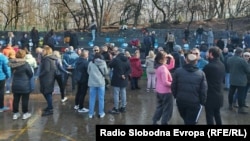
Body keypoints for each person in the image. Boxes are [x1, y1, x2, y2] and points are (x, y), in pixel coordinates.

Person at [171, 53, 207, 125]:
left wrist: (176, 96)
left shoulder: (178, 71)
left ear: (186, 61)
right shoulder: (201, 73)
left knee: (186, 119)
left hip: (181, 100)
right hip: (194, 102)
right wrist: (202, 101)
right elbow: (203, 90)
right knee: (191, 121)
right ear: (196, 62)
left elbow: (173, 86)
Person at [203, 47, 225, 125]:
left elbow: (203, 79)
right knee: (217, 114)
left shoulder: (209, 66)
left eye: (207, 52)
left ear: (211, 54)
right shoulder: (221, 64)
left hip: (210, 95)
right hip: (219, 94)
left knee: (209, 117)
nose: (206, 54)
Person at [9, 49, 33, 120]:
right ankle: (25, 113)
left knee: (16, 99)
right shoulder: (25, 64)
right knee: (25, 99)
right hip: (24, 84)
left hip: (15, 84)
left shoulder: (12, 64)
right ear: (24, 56)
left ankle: (15, 113)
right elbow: (30, 74)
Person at [152, 52, 174, 125]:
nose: (167, 59)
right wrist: (174, 84)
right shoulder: (163, 68)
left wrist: (172, 58)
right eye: (165, 58)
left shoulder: (158, 66)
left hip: (159, 90)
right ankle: (164, 122)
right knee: (168, 109)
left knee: (160, 107)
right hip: (166, 92)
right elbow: (165, 82)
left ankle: (155, 120)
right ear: (161, 60)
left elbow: (171, 66)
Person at [227, 47, 250, 114]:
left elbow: (228, 67)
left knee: (231, 93)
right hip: (241, 81)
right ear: (241, 53)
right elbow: (248, 70)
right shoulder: (242, 61)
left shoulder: (229, 59)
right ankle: (240, 108)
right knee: (241, 95)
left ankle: (230, 105)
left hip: (232, 79)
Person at [108, 48, 131, 114]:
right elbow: (129, 69)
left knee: (116, 94)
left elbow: (110, 65)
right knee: (123, 93)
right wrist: (125, 75)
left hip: (117, 78)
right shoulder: (127, 60)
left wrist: (113, 58)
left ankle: (116, 108)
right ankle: (123, 107)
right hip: (124, 79)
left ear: (118, 52)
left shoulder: (116, 59)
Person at [87, 53, 108, 118]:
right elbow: (106, 72)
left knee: (92, 98)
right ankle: (101, 113)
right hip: (101, 83)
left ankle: (91, 113)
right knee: (101, 98)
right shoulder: (103, 63)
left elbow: (88, 71)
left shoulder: (91, 63)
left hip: (92, 83)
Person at [39, 45, 57, 116]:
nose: (42, 52)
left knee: (47, 93)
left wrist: (40, 75)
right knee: (47, 93)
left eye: (43, 50)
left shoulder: (47, 59)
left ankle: (50, 108)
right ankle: (49, 106)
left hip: (47, 79)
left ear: (46, 51)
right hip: (50, 78)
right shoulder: (51, 58)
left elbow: (46, 69)